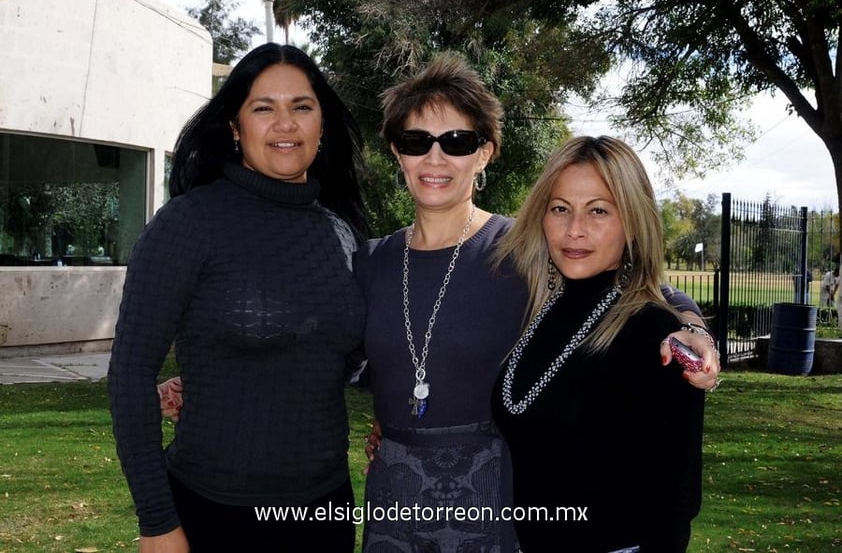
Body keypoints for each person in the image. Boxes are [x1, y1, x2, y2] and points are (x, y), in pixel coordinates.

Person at [354, 55, 717, 552]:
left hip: (496, 507)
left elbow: (634, 287)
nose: (435, 159)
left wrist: (695, 329)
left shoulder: (519, 250)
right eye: (417, 141)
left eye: (457, 142)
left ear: (485, 153)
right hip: (396, 499)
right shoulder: (372, 261)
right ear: (397, 152)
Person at [108, 43, 368, 553]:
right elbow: (130, 375)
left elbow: (339, 359)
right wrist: (157, 523)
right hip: (213, 515)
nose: (285, 124)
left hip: (326, 511)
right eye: (263, 108)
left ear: (323, 125)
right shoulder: (188, 223)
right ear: (234, 127)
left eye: (302, 107)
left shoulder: (342, 233)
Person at [491, 135, 706, 552]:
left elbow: (676, 503)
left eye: (599, 211)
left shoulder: (655, 333)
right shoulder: (541, 311)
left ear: (633, 222)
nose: (575, 230)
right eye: (560, 209)